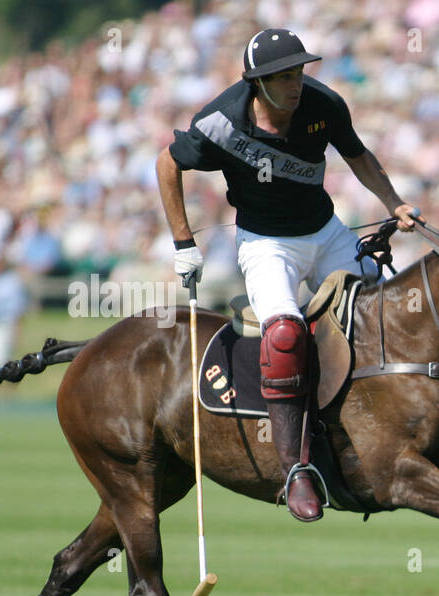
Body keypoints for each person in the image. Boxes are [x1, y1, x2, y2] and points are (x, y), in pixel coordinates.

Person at [156, 28, 421, 521]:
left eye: (298, 71)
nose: (295, 83)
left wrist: (394, 203)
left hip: (326, 233)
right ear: (257, 82)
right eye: (282, 76)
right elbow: (167, 164)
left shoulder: (324, 105)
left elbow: (358, 155)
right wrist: (183, 242)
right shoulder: (219, 122)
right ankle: (295, 469)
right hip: (266, 245)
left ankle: (387, 432)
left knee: (385, 313)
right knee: (283, 335)